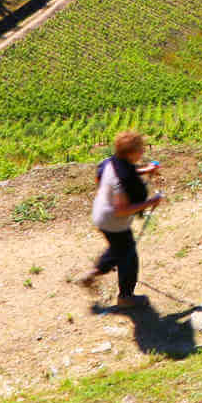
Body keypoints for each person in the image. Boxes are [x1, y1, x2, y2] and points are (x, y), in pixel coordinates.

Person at [78, 132, 164, 311]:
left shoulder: (111, 162)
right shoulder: (121, 180)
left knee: (118, 248)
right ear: (131, 153)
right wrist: (151, 202)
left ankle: (93, 273)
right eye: (140, 149)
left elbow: (112, 175)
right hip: (113, 222)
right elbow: (121, 209)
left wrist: (145, 170)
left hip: (101, 214)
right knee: (129, 257)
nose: (143, 151)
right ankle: (125, 297)